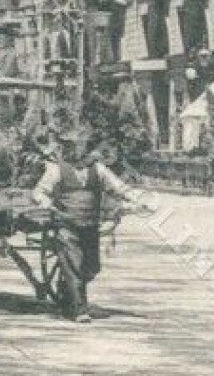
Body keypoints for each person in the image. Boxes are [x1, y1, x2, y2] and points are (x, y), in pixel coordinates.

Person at [31, 130, 147, 323]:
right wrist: (45, 202)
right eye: (72, 147)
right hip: (66, 224)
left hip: (90, 225)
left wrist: (138, 199)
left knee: (91, 267)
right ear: (66, 149)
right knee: (74, 265)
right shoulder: (56, 170)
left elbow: (119, 188)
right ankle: (79, 309)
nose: (77, 151)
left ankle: (69, 292)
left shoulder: (99, 169)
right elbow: (39, 192)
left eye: (81, 146)